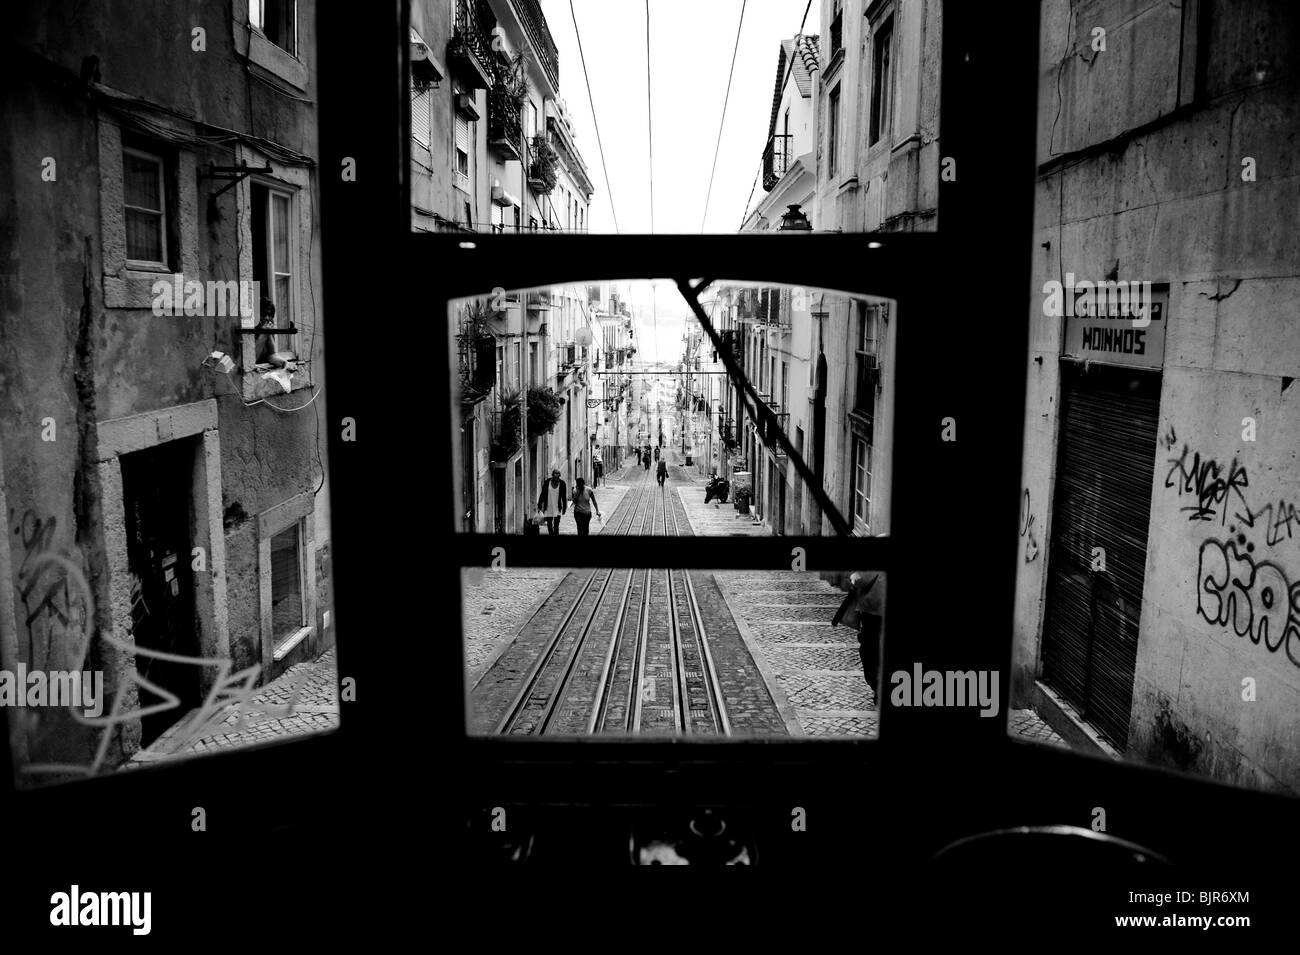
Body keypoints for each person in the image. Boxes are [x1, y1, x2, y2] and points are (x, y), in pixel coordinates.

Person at [536, 468, 567, 535]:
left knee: (556, 526)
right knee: (549, 525)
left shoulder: (562, 483)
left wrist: (564, 507)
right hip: (548, 507)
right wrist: (539, 504)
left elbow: (564, 497)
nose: (556, 479)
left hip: (557, 507)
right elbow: (543, 494)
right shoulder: (547, 482)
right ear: (552, 476)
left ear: (559, 476)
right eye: (555, 477)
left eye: (557, 477)